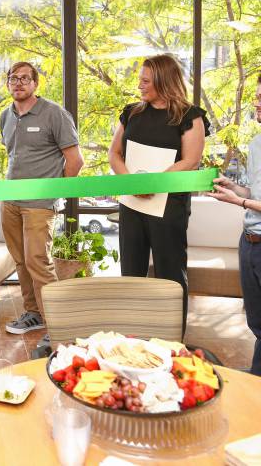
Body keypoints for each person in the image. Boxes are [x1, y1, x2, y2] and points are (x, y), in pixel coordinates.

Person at [108, 54, 209, 335]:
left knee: (170, 273)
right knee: (131, 271)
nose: (139, 85)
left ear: (164, 81)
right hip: (132, 206)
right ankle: (133, 334)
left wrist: (152, 183)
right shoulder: (132, 113)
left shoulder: (190, 117)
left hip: (169, 207)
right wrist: (131, 183)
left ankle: (172, 338)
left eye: (145, 80)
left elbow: (191, 161)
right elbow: (114, 153)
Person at [0, 62, 84, 336]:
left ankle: (57, 324)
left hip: (39, 205)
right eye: (14, 78)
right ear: (8, 83)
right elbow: (14, 156)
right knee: (21, 261)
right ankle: (33, 314)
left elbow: (75, 161)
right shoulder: (6, 116)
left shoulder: (54, 114)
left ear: (35, 83)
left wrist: (53, 193)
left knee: (38, 261)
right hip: (11, 201)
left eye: (25, 78)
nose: (19, 83)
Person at [208, 73, 261, 375]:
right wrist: (235, 189)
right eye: (257, 96)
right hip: (249, 243)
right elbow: (256, 194)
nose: (257, 103)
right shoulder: (256, 143)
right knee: (257, 324)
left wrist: (238, 202)